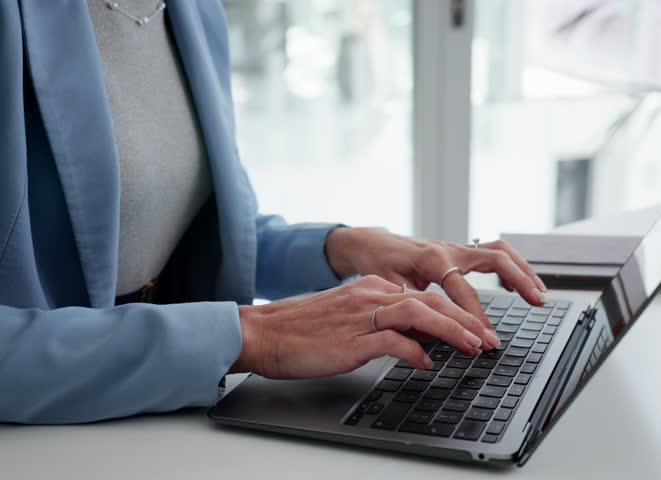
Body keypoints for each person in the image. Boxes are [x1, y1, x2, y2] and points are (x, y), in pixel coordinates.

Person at [0, 1, 546, 424]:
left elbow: (172, 228)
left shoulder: (193, 10)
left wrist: (345, 247)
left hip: (165, 415)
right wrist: (255, 335)